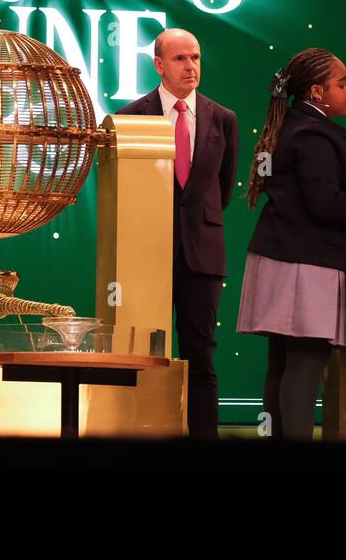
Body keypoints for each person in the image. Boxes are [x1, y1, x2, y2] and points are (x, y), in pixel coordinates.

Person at [237, 48, 346, 440]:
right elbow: (325, 202)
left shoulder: (292, 126)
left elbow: (317, 189)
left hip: (279, 257)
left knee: (282, 362)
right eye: (341, 84)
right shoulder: (316, 135)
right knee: (307, 362)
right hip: (305, 264)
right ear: (317, 92)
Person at [117, 28, 238, 440]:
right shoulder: (132, 117)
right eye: (181, 59)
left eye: (196, 58)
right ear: (159, 64)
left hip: (201, 255)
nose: (191, 66)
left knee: (200, 356)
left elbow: (220, 192)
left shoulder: (223, 119)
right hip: (146, 253)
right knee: (139, 354)